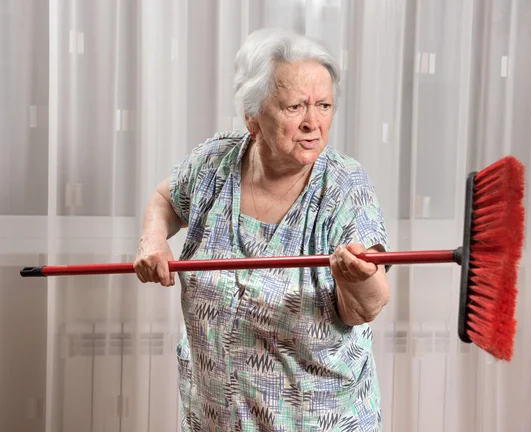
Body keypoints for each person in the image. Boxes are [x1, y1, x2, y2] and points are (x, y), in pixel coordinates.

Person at [134, 28, 390, 432]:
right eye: (294, 107)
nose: (313, 123)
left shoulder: (344, 185)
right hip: (215, 416)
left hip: (314, 421)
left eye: (323, 106)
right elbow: (165, 199)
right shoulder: (214, 163)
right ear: (252, 117)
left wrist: (357, 279)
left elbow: (368, 305)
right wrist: (153, 241)